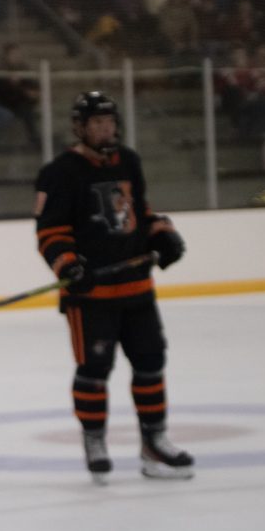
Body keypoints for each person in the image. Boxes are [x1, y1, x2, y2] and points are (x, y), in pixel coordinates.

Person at [34, 91, 192, 485]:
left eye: (110, 122)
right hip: (91, 297)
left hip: (137, 289)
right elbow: (50, 233)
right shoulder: (60, 172)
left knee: (151, 363)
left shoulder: (130, 161)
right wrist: (70, 266)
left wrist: (163, 235)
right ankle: (95, 441)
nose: (106, 129)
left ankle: (154, 443)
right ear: (80, 128)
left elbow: (142, 213)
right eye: (97, 123)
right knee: (93, 370)